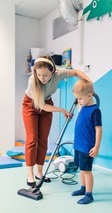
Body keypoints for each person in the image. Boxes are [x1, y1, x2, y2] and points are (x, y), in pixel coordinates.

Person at [22, 55, 91, 199]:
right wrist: (62, 110)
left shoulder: (58, 74)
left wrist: (89, 83)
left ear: (52, 71)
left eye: (45, 75)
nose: (42, 78)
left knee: (43, 140)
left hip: (47, 103)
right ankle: (30, 176)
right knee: (32, 139)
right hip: (31, 106)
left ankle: (39, 172)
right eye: (39, 74)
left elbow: (76, 72)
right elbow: (41, 105)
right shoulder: (32, 81)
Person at [71, 79, 102, 204]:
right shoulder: (83, 106)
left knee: (87, 171)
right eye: (77, 98)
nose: (78, 101)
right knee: (81, 169)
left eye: (79, 98)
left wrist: (96, 147)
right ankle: (83, 188)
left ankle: (89, 194)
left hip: (87, 147)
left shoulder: (95, 111)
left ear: (89, 96)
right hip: (78, 145)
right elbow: (80, 101)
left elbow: (99, 130)